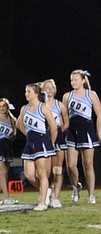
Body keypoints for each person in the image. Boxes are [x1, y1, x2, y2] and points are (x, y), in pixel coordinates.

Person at [17, 83, 57, 210]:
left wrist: (50, 142)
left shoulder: (43, 108)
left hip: (42, 141)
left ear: (35, 93)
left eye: (28, 91)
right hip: (30, 142)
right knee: (29, 174)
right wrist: (28, 134)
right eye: (25, 91)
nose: (26, 94)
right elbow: (19, 125)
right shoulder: (24, 108)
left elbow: (53, 127)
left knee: (42, 173)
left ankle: (42, 203)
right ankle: (46, 191)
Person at [63, 69, 100, 204]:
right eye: (71, 80)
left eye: (76, 79)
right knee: (71, 165)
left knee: (88, 164)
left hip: (87, 130)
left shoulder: (91, 94)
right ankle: (76, 186)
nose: (73, 82)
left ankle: (91, 195)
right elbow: (65, 116)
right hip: (72, 131)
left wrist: (99, 132)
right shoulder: (67, 96)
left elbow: (99, 115)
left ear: (83, 80)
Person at [40, 79, 68, 207]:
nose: (49, 90)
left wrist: (57, 132)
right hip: (43, 138)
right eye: (47, 88)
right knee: (45, 171)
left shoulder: (60, 105)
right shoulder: (39, 104)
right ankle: (46, 192)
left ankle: (56, 197)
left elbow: (66, 122)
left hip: (58, 139)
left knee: (58, 169)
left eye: (51, 88)